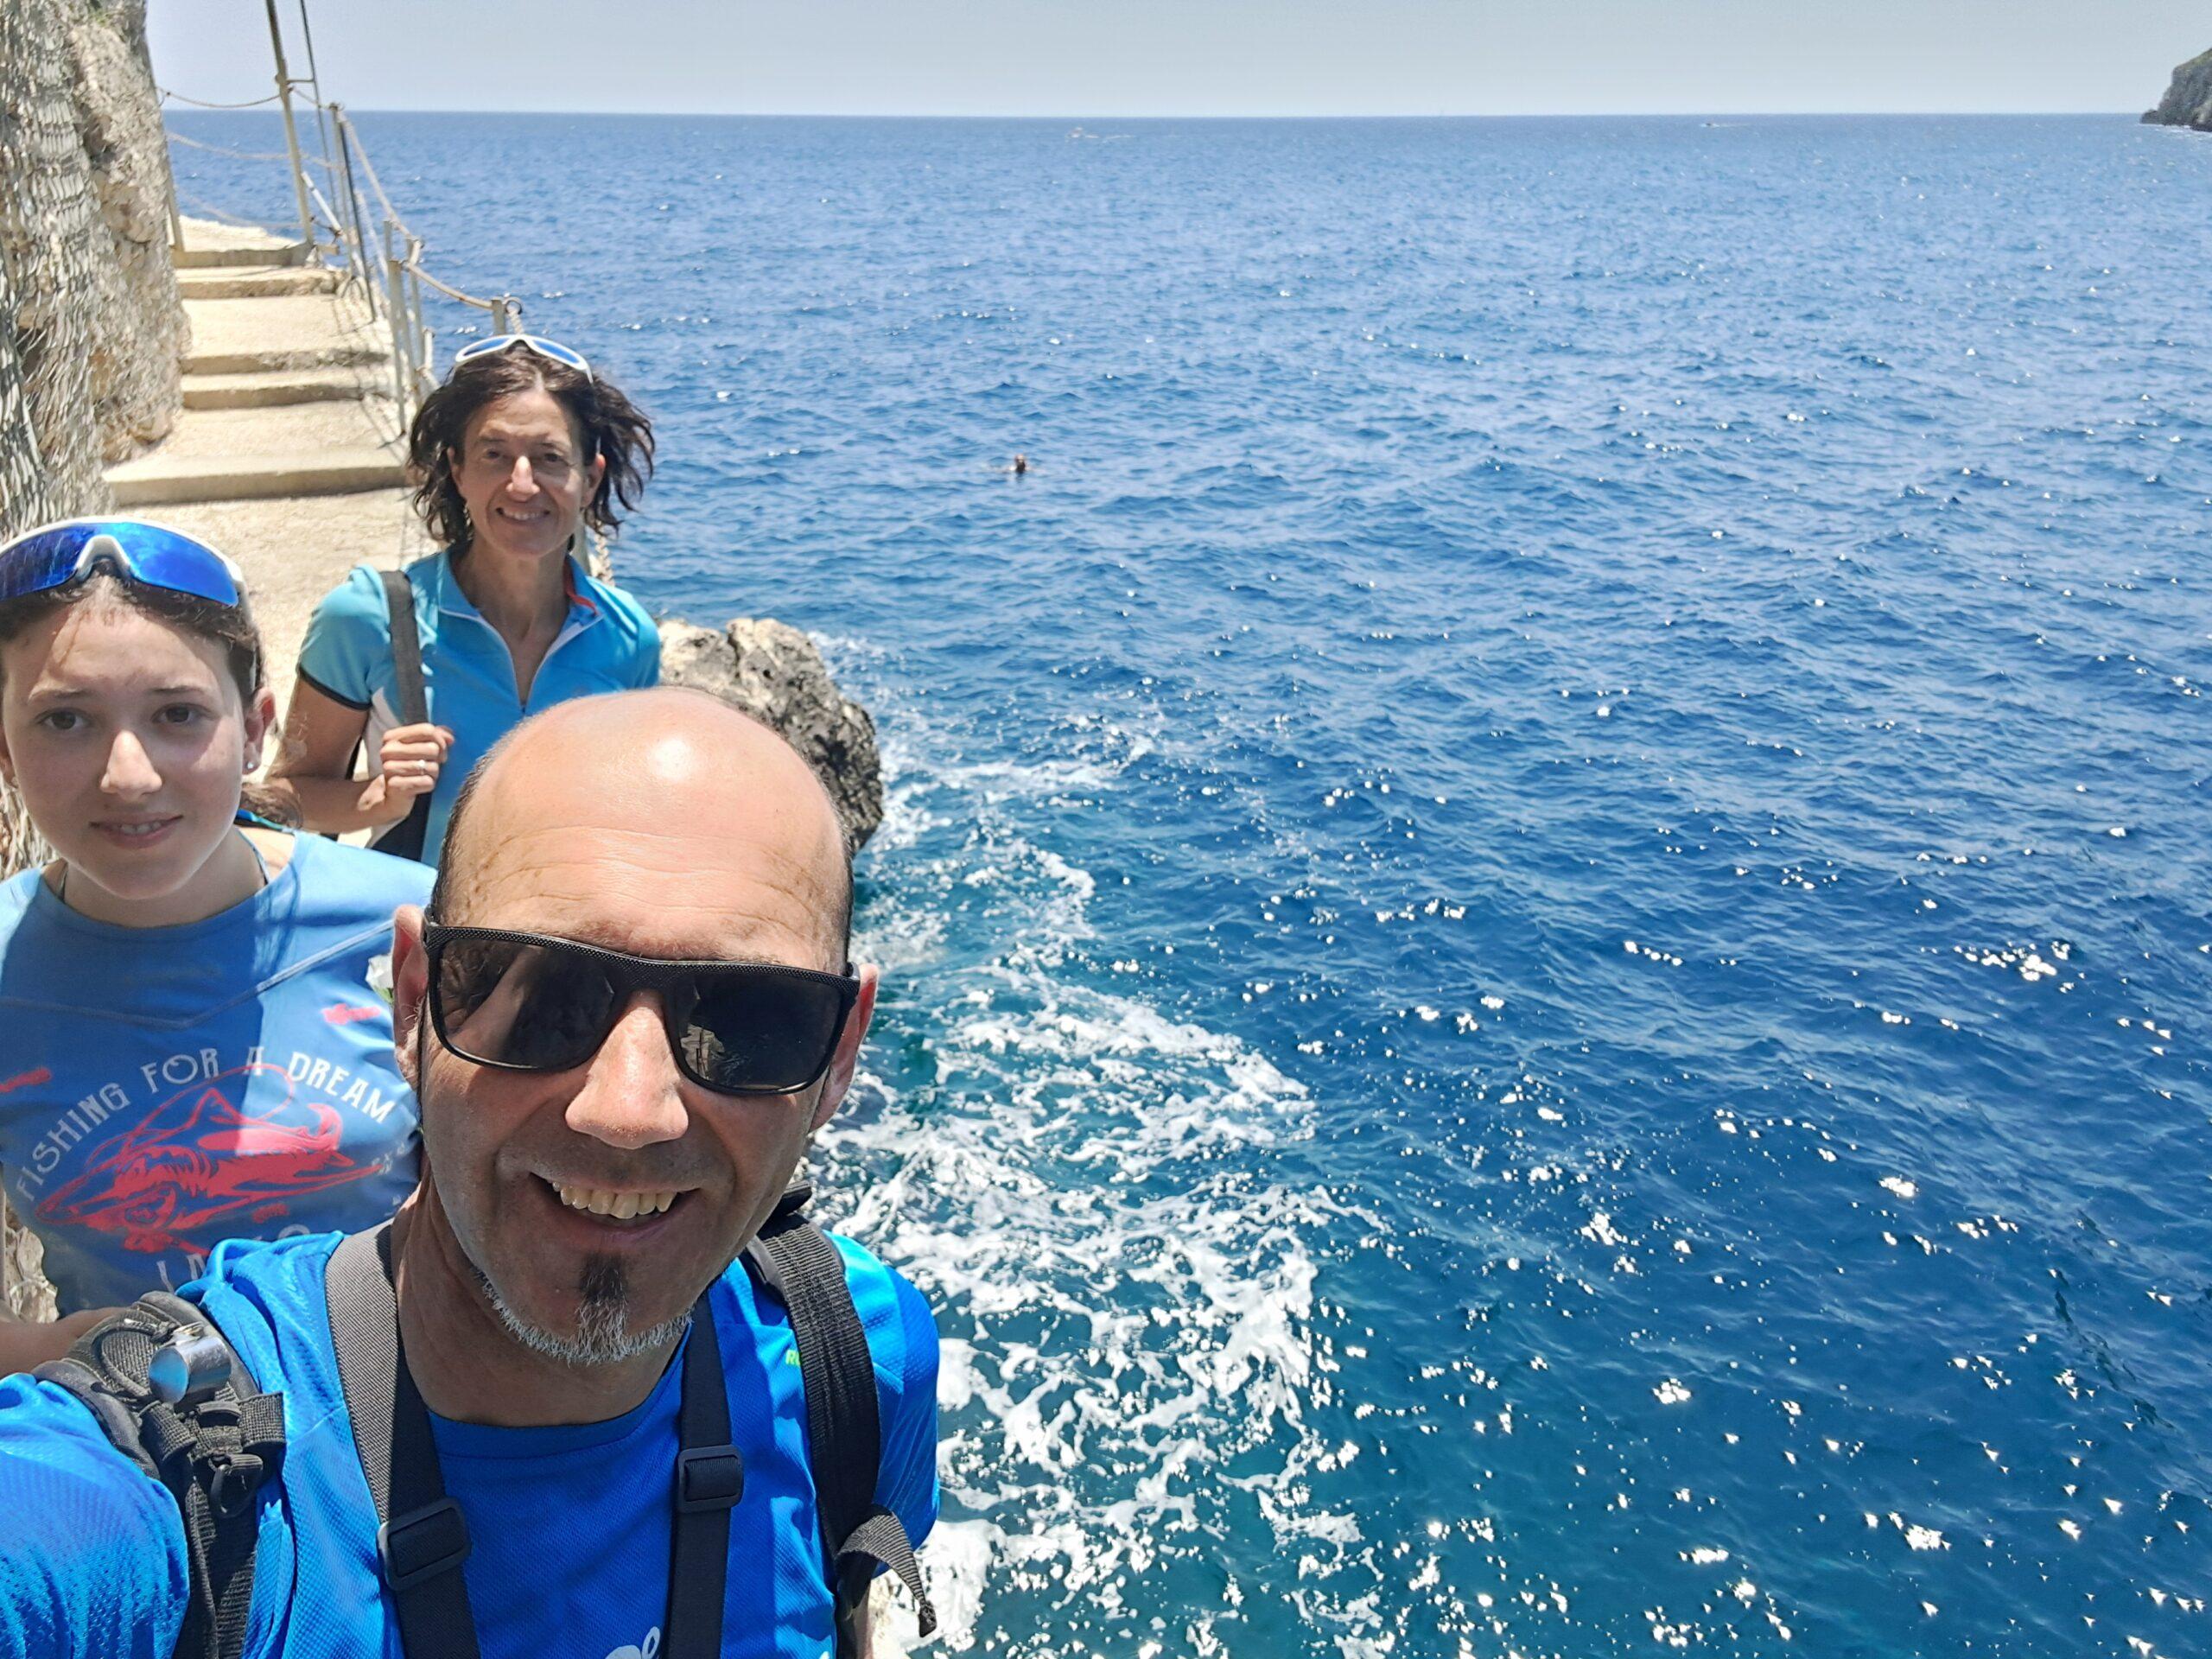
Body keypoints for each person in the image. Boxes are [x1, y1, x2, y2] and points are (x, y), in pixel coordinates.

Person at [0, 688, 939, 1659]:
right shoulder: (191, 1478)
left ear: (840, 1057)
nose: (628, 1112)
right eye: (548, 997)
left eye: (750, 1020)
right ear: (412, 1004)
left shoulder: (857, 1357)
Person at [0, 519, 431, 1376]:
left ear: (255, 729)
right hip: (137, 1440)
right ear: (4, 749)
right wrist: (66, 1351)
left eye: (178, 715)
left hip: (409, 1418)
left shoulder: (411, 923)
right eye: (65, 720)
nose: (128, 776)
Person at [270, 334, 663, 866]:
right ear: (458, 470)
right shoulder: (367, 618)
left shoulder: (627, 637)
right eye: (494, 455)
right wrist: (376, 798)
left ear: (589, 479)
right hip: (417, 917)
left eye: (549, 458)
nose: (521, 484)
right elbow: (279, 800)